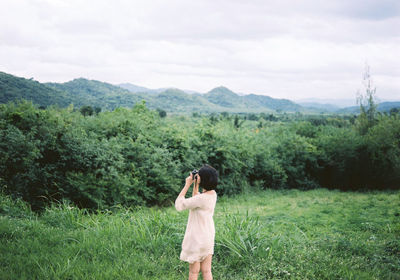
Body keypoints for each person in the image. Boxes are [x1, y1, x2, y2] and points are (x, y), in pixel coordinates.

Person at [175, 165, 218, 280]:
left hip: (197, 239)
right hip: (208, 237)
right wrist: (196, 184)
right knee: (207, 270)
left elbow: (179, 205)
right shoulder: (213, 195)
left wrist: (187, 184)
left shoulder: (200, 199)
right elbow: (197, 198)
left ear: (202, 179)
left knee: (194, 272)